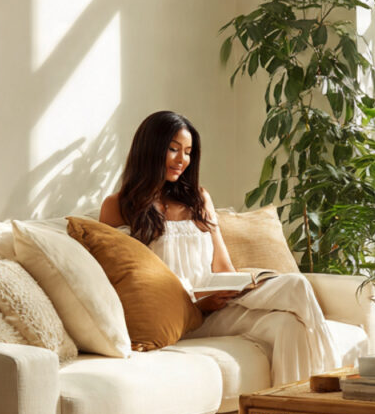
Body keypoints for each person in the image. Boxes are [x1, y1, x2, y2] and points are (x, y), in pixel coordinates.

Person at [100, 110, 341, 385]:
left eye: (188, 152)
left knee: (289, 323)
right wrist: (197, 301)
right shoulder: (117, 206)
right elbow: (124, 286)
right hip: (181, 319)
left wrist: (239, 285)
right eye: (173, 149)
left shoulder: (199, 199)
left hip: (217, 307)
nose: (182, 160)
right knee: (297, 288)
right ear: (151, 148)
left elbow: (223, 267)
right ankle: (333, 380)